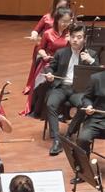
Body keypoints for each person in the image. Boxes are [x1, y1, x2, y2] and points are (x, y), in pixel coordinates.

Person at [41, 23, 97, 155]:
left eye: (79, 37)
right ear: (69, 38)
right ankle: (56, 140)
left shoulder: (92, 54)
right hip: (61, 87)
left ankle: (68, 135)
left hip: (79, 90)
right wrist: (49, 74)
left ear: (85, 39)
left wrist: (91, 61)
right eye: (73, 37)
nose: (75, 40)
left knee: (84, 107)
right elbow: (50, 67)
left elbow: (99, 74)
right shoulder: (61, 52)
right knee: (50, 103)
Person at [23, 6, 72, 120]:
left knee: (67, 84)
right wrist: (44, 54)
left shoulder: (70, 35)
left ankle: (60, 111)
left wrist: (71, 42)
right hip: (48, 64)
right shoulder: (48, 33)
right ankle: (40, 111)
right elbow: (40, 48)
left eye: (68, 21)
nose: (65, 24)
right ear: (57, 20)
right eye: (63, 21)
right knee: (43, 84)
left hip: (64, 65)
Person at [24, 0, 71, 94]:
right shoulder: (47, 18)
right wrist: (34, 35)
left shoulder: (67, 20)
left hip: (59, 53)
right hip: (45, 48)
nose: (62, 9)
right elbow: (36, 30)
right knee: (38, 68)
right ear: (55, 6)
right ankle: (32, 87)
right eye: (60, 7)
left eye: (65, 6)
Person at [77, 68, 105, 153]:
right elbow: (86, 97)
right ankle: (83, 166)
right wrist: (89, 105)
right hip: (96, 120)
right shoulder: (96, 78)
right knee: (82, 139)